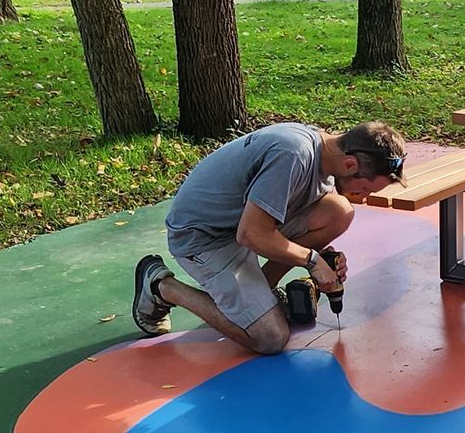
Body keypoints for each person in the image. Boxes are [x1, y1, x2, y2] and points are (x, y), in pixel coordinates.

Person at [131, 120, 406, 354]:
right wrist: (312, 260)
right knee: (270, 338)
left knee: (339, 211)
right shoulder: (293, 154)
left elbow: (268, 222)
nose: (365, 196)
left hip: (243, 223)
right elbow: (252, 233)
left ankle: (263, 292)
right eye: (367, 188)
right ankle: (161, 286)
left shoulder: (325, 155)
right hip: (204, 237)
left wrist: (324, 258)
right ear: (349, 164)